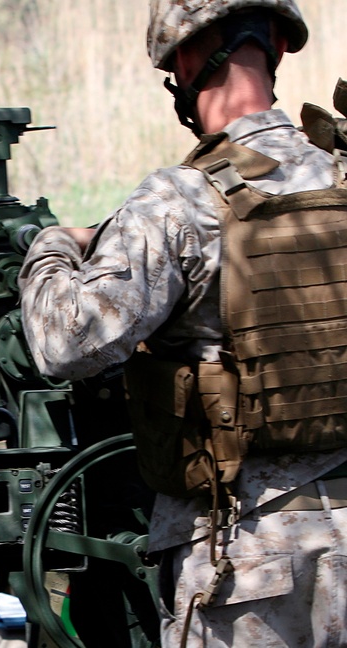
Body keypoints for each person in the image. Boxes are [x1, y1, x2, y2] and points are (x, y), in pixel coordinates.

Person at [17, 1, 347, 646]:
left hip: (251, 554)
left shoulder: (182, 199)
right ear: (279, 45)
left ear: (186, 60)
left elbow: (66, 343)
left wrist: (50, 247)